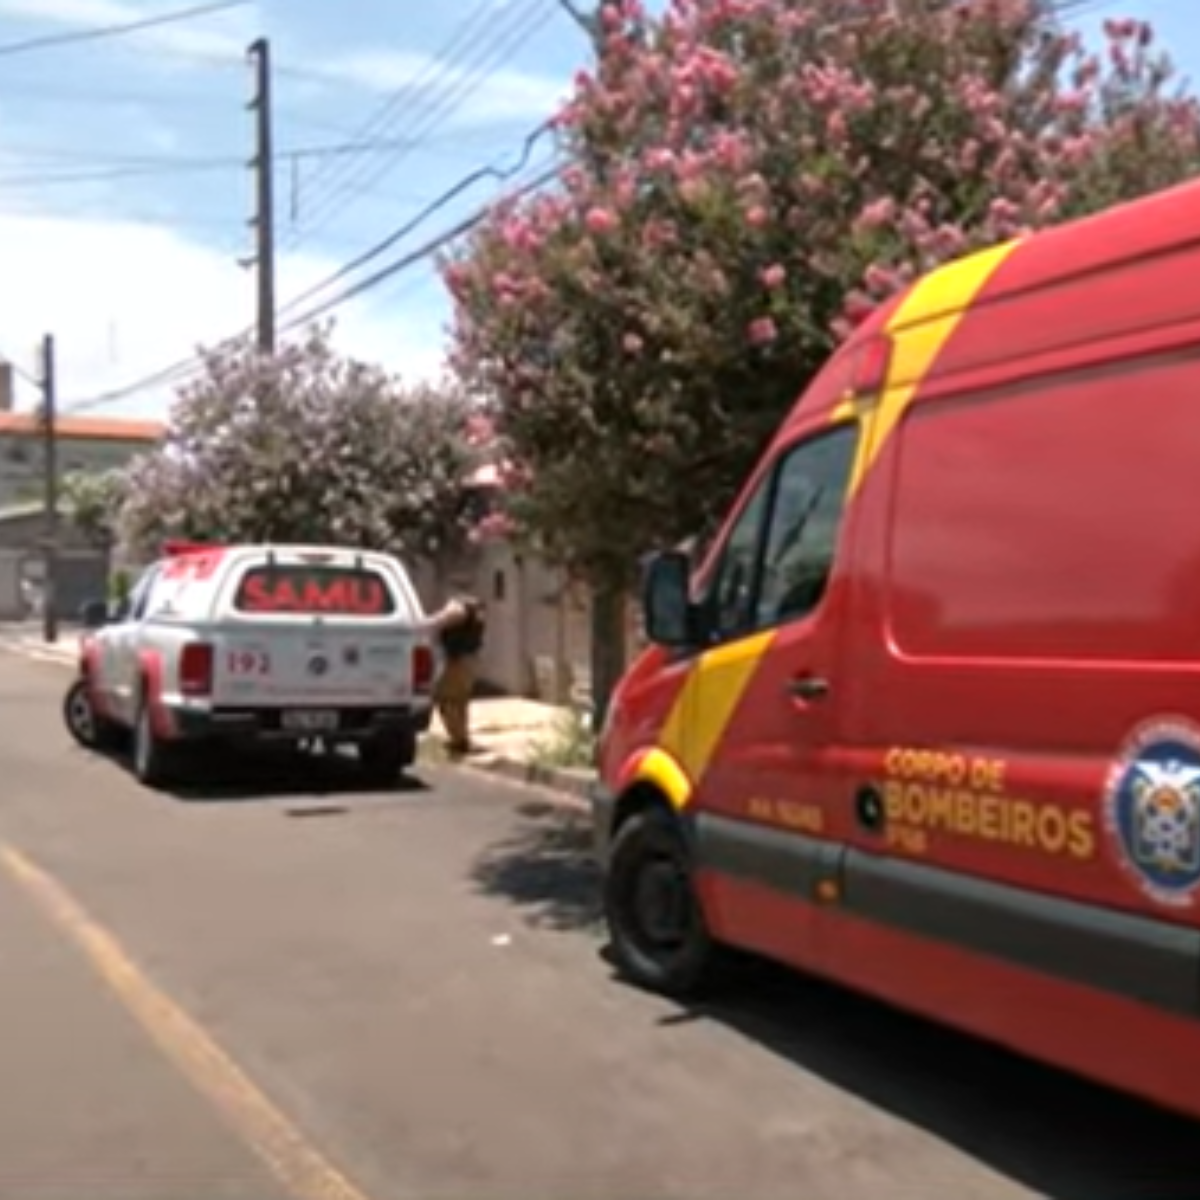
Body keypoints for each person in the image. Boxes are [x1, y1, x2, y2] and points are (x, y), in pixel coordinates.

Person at [423, 592, 486, 756]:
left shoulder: (458, 610)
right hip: (467, 659)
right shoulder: (471, 611)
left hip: (459, 661)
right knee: (459, 701)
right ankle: (460, 737)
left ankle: (459, 740)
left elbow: (435, 623)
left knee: (446, 698)